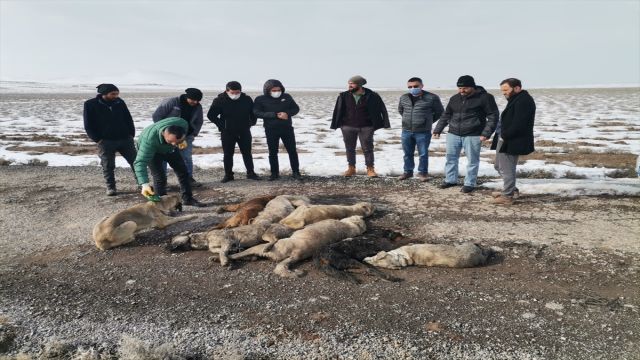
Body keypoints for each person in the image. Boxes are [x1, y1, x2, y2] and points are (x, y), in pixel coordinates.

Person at [432, 75, 499, 193]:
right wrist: (438, 129)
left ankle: (470, 183)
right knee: (450, 158)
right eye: (459, 88)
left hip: (473, 134)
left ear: (472, 86)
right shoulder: (454, 98)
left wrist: (486, 133)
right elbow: (446, 115)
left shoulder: (485, 98)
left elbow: (493, 116)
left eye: (465, 88)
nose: (462, 91)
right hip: (453, 133)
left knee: (472, 160)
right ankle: (450, 180)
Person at [134, 117, 205, 207]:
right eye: (170, 141)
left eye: (176, 142)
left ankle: (188, 199)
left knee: (183, 171)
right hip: (155, 152)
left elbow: (181, 136)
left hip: (170, 150)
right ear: (164, 134)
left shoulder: (183, 124)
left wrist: (182, 141)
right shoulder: (149, 141)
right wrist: (144, 184)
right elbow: (140, 162)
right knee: (160, 178)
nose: (174, 144)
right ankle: (162, 205)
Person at [83, 83, 137, 196]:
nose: (116, 96)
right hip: (106, 141)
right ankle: (111, 187)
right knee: (108, 165)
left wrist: (131, 133)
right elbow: (88, 124)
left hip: (125, 139)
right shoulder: (90, 104)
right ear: (104, 94)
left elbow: (128, 118)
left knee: (136, 162)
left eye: (117, 93)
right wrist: (97, 139)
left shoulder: (119, 102)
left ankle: (142, 183)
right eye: (113, 94)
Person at [330, 75, 390, 177]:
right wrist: (339, 124)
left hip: (366, 126)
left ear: (359, 85)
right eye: (349, 84)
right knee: (349, 148)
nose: (350, 86)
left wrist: (384, 123)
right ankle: (351, 168)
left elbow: (382, 109)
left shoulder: (372, 95)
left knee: (368, 148)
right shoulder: (343, 96)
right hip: (348, 126)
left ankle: (370, 169)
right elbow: (338, 110)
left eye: (352, 84)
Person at [490, 78, 536, 205]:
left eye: (506, 90)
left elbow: (519, 123)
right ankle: (511, 189)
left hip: (512, 140)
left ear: (517, 88)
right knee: (498, 166)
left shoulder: (524, 101)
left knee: (507, 168)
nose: (503, 93)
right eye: (502, 90)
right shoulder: (516, 99)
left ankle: (507, 196)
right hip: (505, 138)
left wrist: (505, 135)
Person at [207, 81, 259, 183]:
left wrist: (251, 123)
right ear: (227, 91)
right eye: (233, 92)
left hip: (244, 131)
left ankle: (251, 173)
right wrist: (222, 125)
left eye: (237, 92)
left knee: (247, 152)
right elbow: (211, 115)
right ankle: (228, 175)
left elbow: (253, 113)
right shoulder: (220, 100)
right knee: (228, 154)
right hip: (228, 132)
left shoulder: (246, 99)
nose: (235, 94)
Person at [152, 88, 204, 187]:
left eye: (197, 100)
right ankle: (162, 181)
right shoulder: (172, 102)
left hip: (185, 137)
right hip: (168, 136)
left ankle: (188, 179)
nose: (195, 102)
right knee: (163, 157)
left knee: (186, 157)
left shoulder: (197, 107)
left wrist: (194, 133)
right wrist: (164, 132)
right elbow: (157, 116)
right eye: (193, 100)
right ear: (187, 96)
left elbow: (199, 121)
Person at [253, 79, 302, 181]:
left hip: (287, 128)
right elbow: (257, 112)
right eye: (274, 90)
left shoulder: (286, 97)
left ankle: (296, 172)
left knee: (292, 150)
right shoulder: (260, 99)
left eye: (278, 90)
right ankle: (274, 173)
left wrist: (287, 114)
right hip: (271, 129)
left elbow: (296, 108)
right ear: (268, 90)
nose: (277, 92)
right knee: (273, 152)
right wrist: (274, 115)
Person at [397, 77, 444, 181]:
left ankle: (423, 173)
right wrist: (407, 121)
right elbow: (401, 110)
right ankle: (408, 172)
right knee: (407, 153)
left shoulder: (432, 97)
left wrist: (427, 121)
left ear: (422, 86)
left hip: (423, 131)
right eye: (410, 87)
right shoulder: (404, 97)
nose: (413, 88)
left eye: (415, 86)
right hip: (406, 130)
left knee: (423, 153)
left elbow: (440, 112)